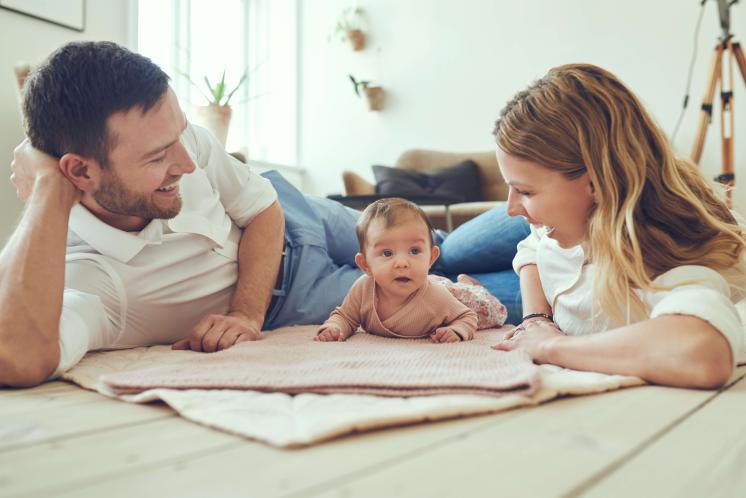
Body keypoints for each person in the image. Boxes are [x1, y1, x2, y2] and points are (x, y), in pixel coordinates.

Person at [0, 41, 527, 387]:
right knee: (479, 297)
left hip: (294, 216)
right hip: (294, 293)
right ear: (79, 172)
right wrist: (47, 187)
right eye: (158, 157)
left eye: (180, 135)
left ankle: (595, 208)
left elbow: (262, 208)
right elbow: (15, 356)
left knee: (443, 247)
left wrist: (244, 314)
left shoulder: (183, 144)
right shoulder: (87, 277)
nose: (187, 161)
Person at [490, 63, 746, 389]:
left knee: (432, 277)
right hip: (547, 273)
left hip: (569, 277)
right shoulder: (562, 217)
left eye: (525, 191)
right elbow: (531, 246)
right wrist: (535, 319)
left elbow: (702, 352)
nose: (510, 208)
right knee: (447, 253)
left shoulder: (666, 262)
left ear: (596, 182)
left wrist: (546, 345)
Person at [316, 198, 507, 342]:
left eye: (414, 251)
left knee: (490, 310)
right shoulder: (363, 289)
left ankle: (470, 285)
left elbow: (467, 316)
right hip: (437, 286)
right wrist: (334, 327)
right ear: (366, 265)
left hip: (458, 298)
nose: (402, 263)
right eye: (387, 253)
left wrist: (456, 330)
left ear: (431, 257)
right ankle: (464, 281)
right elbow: (346, 316)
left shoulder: (436, 298)